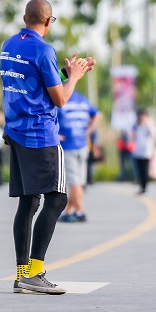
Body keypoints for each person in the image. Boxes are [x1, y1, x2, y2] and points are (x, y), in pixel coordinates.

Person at [0, 0, 95, 294]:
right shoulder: (44, 50)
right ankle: (36, 271)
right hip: (40, 135)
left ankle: (21, 273)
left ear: (24, 17)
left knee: (28, 202)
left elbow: (35, 84)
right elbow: (60, 99)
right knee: (57, 199)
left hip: (15, 131)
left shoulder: (9, 45)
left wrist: (64, 73)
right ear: (48, 21)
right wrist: (75, 77)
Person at [57, 90, 99, 222]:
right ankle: (68, 210)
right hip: (82, 145)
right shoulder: (82, 99)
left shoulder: (60, 99)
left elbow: (47, 118)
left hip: (69, 145)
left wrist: (54, 135)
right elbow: (97, 115)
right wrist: (87, 132)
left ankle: (80, 211)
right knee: (79, 181)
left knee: (73, 181)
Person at [131, 109, 156, 194]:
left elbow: (155, 135)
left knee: (145, 170)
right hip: (137, 151)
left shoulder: (150, 125)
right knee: (138, 170)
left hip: (146, 151)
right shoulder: (135, 126)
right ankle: (141, 185)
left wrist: (147, 124)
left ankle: (144, 186)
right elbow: (131, 136)